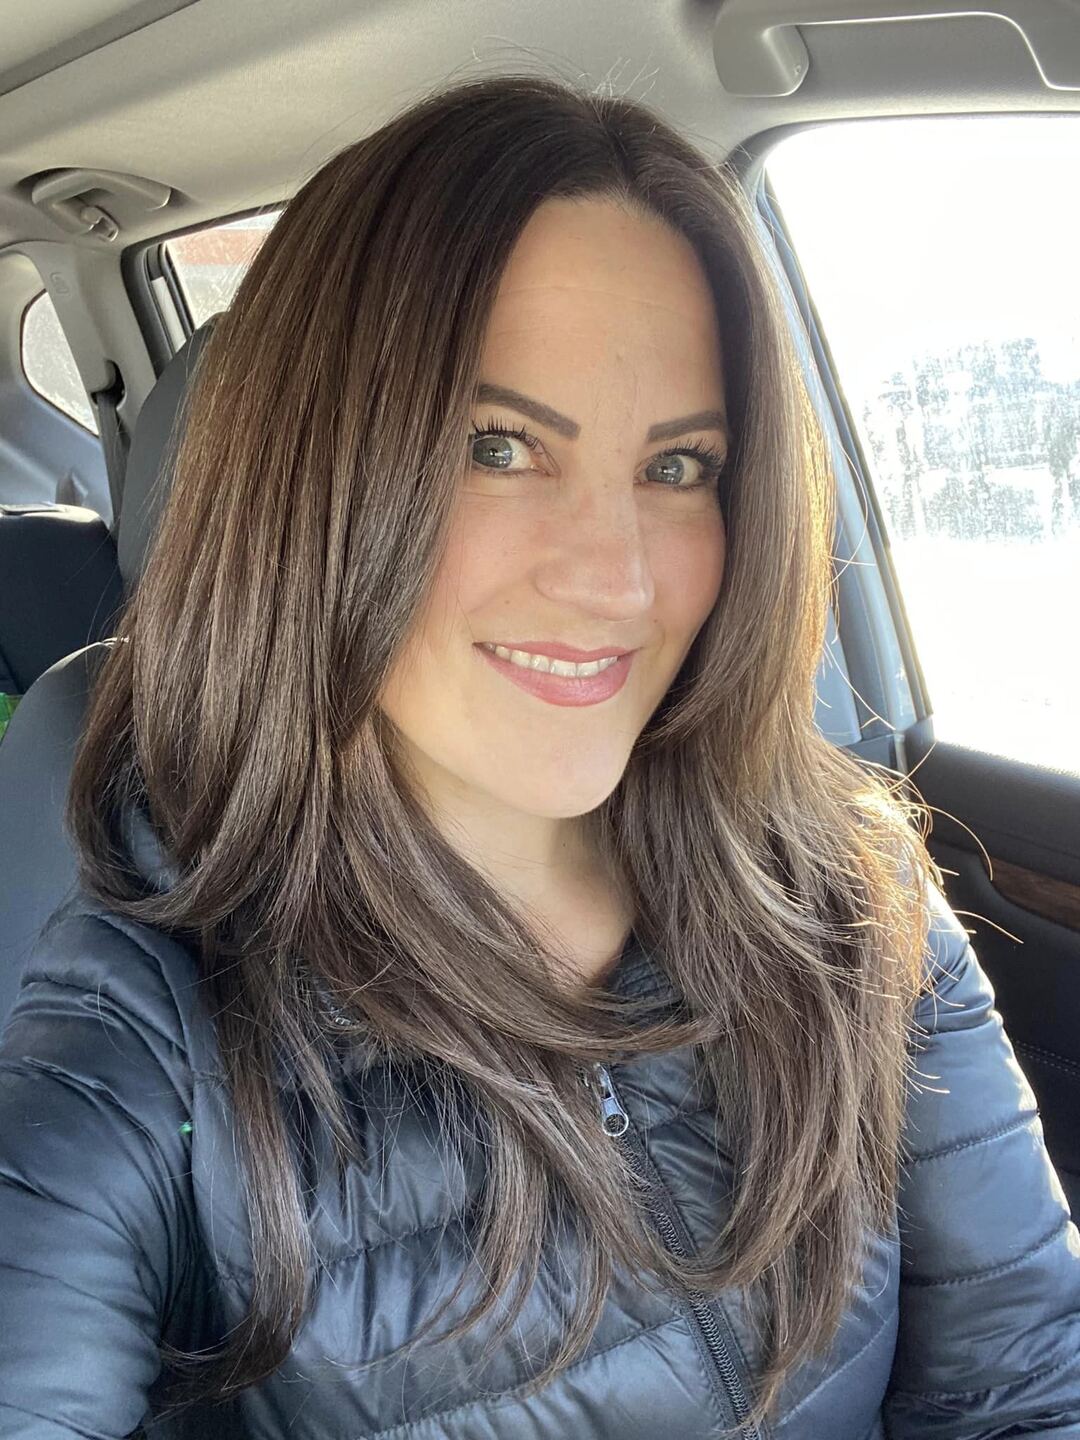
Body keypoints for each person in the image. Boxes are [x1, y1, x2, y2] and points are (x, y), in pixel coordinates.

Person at [1, 72, 1078, 1440]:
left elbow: (1026, 1382)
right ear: (314, 478)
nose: (617, 580)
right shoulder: (149, 1028)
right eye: (499, 447)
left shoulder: (846, 890)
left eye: (678, 468)